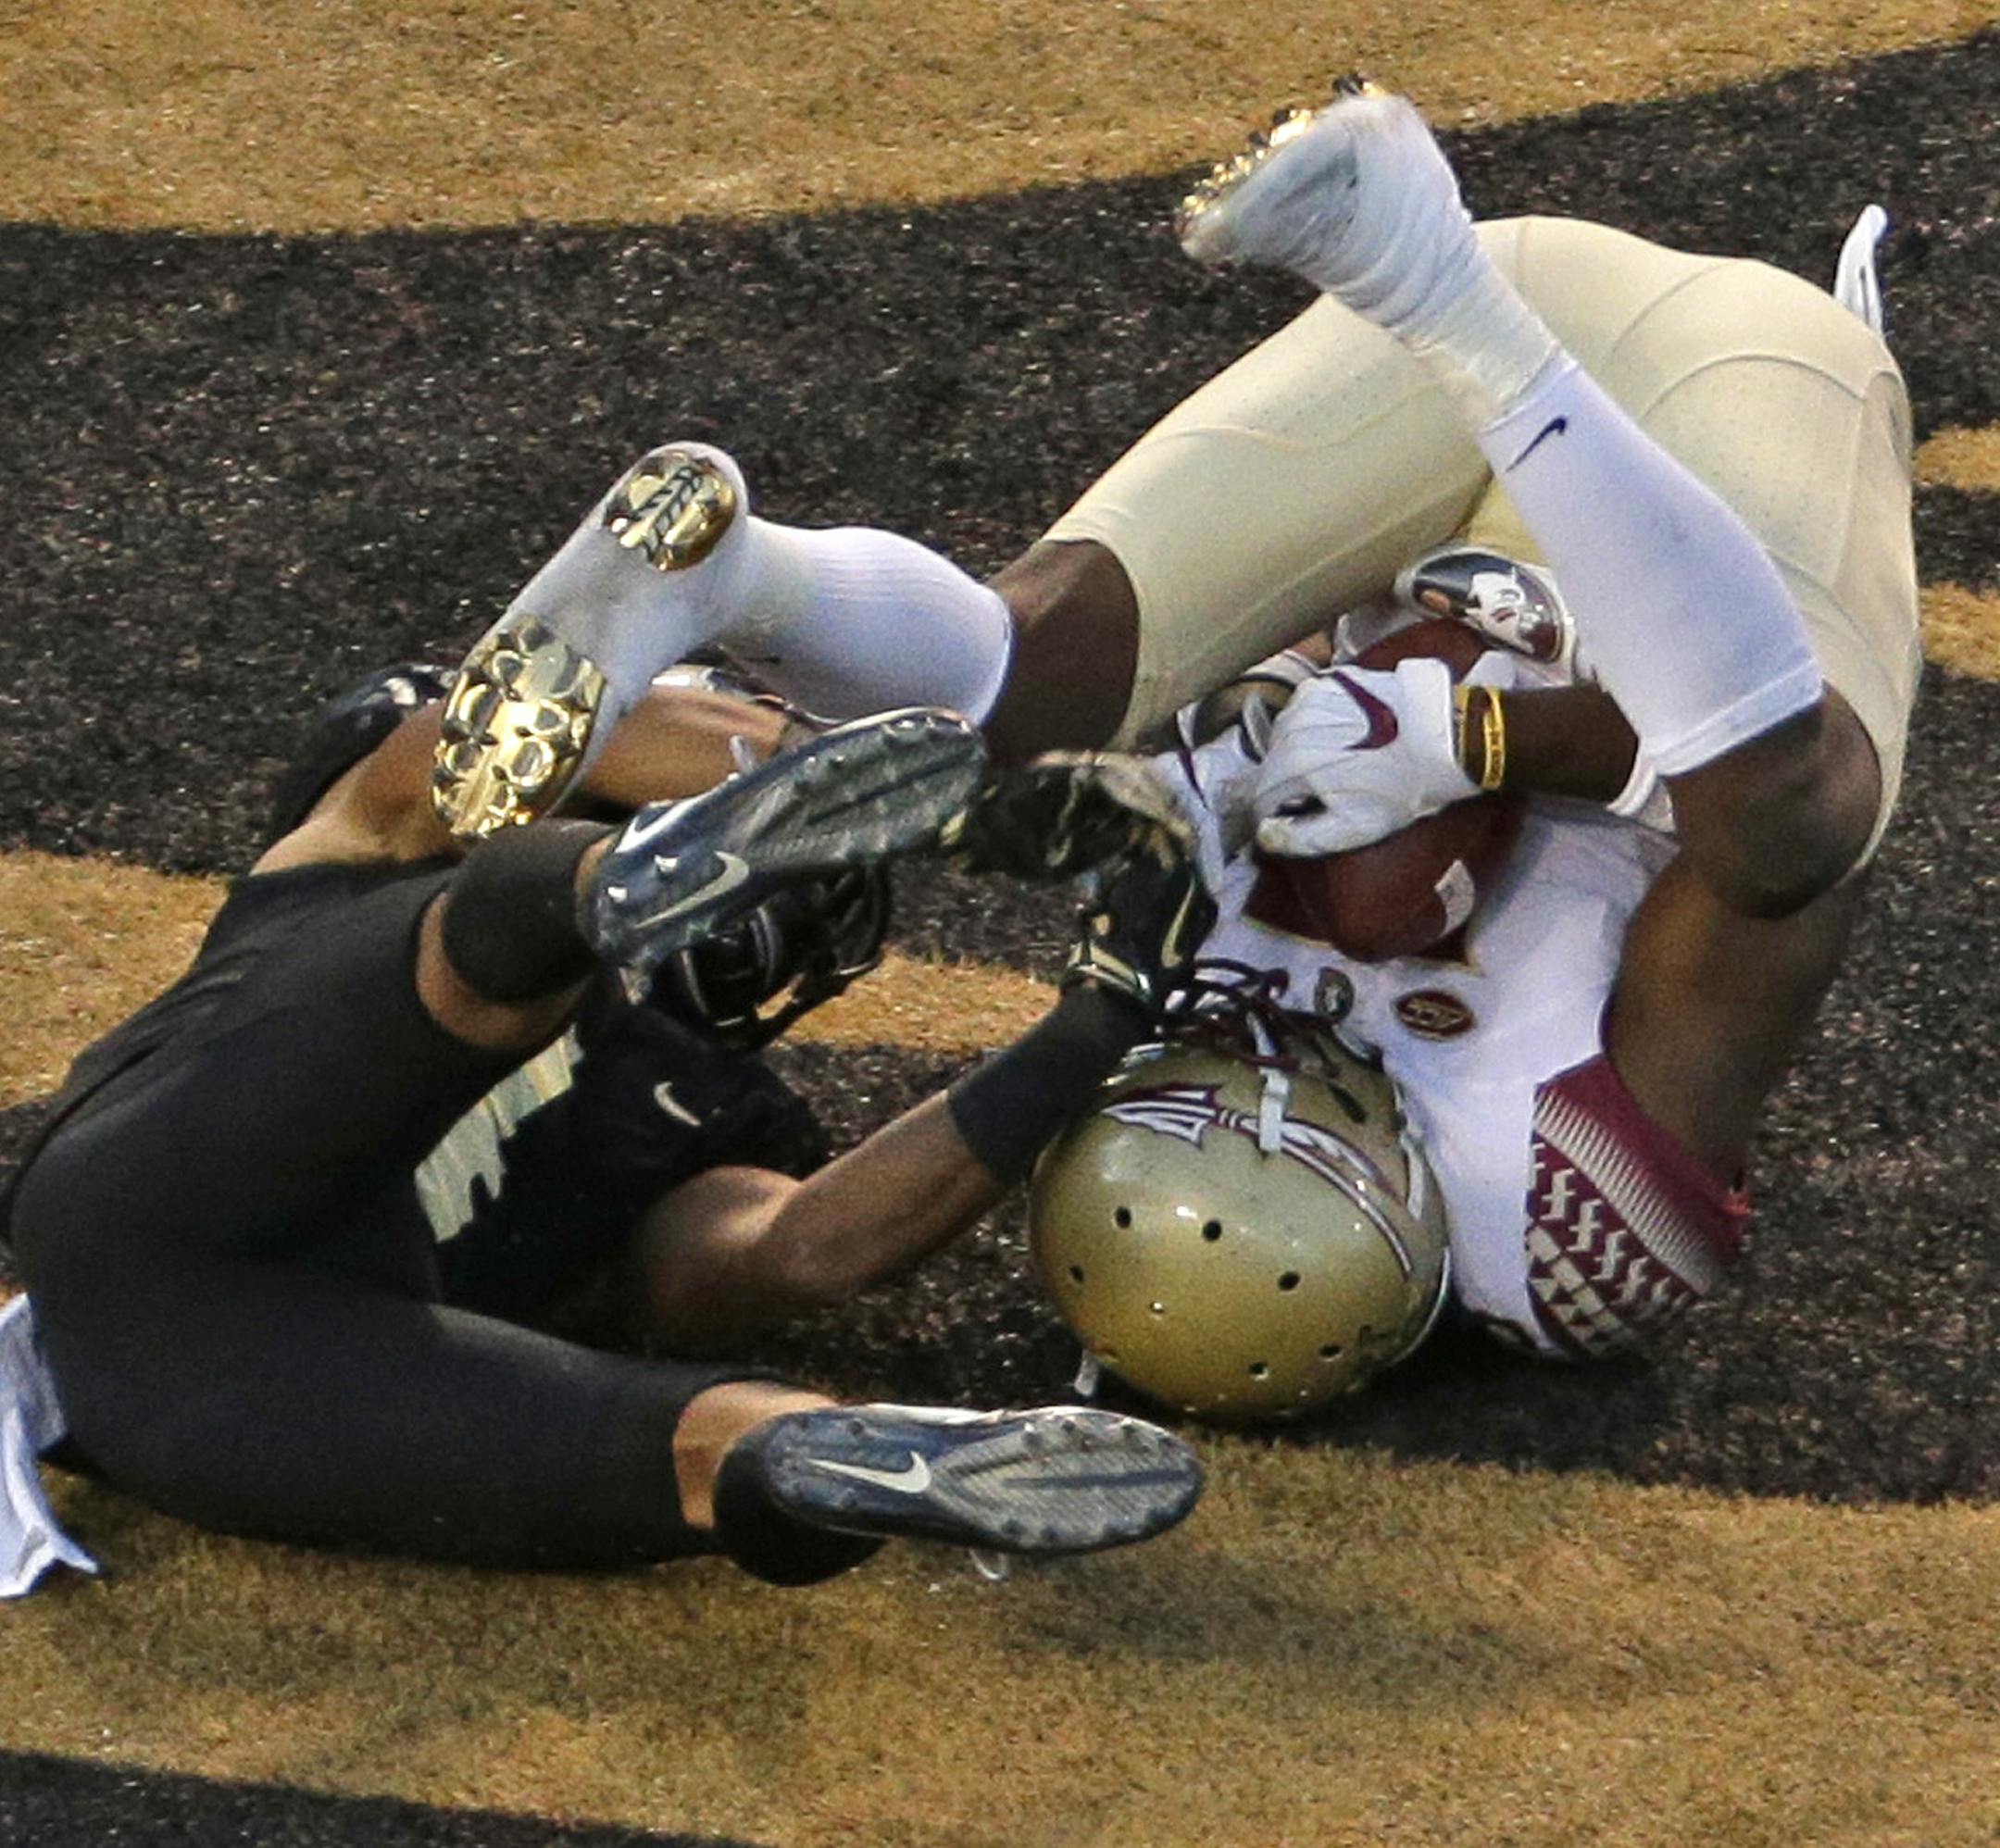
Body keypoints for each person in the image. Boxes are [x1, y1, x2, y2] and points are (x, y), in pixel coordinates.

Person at [424, 79, 1914, 1367]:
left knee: (1024, 692)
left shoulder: (1149, 1030)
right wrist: (1489, 744)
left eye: (1199, 1098)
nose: (1263, 1068)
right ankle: (1447, 294)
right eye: (1313, 1128)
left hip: (1456, 407)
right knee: (1793, 820)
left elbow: (1093, 773)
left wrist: (1298, 741)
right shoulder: (1570, 1221)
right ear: (1400, 1234)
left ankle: (746, 574)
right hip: (1720, 415)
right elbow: (1779, 881)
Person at [0, 652, 1212, 1592]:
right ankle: (798, 1449)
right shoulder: (374, 840)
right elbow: (807, 1246)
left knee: (477, 960)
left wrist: (934, 812)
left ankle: (805, 1453)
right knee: (681, 1453)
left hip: (157, 1352)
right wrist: (1087, 1028)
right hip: (233, 1340)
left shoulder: (366, 869)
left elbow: (795, 1247)